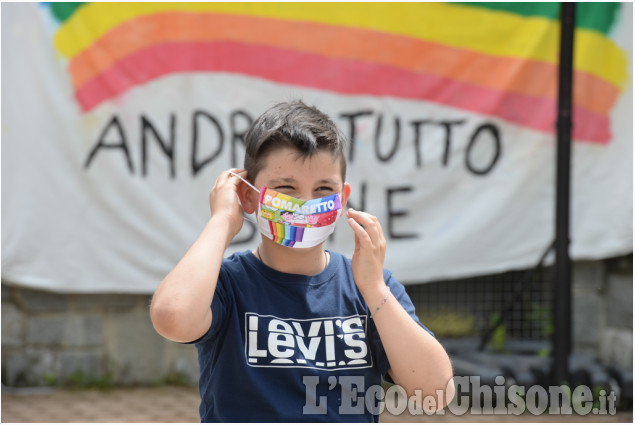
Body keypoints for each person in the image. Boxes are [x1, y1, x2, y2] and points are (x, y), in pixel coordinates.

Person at [150, 100, 454, 422]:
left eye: (324, 188)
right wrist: (223, 219)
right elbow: (172, 317)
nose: (306, 203)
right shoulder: (226, 284)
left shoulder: (371, 287)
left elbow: (435, 394)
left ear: (342, 198)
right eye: (286, 188)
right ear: (250, 195)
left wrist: (375, 289)